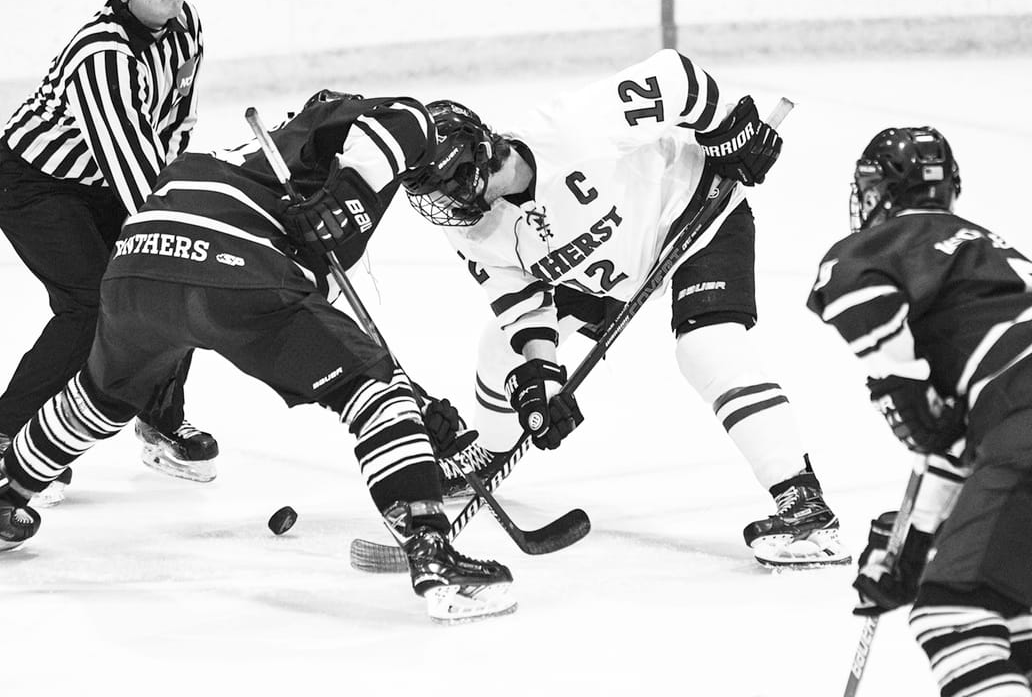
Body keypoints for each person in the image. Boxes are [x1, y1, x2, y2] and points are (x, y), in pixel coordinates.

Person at [0, 90, 516, 623]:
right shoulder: (362, 133)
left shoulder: (277, 158)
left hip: (138, 258)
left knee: (100, 395)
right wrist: (348, 201)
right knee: (377, 392)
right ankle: (435, 559)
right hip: (230, 259)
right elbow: (409, 117)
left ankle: (9, 490)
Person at [403, 48, 848, 569]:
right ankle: (489, 452)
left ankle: (804, 504)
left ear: (477, 161)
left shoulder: (573, 128)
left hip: (693, 216)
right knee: (500, 348)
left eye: (445, 189)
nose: (444, 207)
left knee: (707, 349)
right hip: (602, 274)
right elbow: (523, 305)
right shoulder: (474, 228)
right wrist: (541, 380)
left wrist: (727, 133)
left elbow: (676, 77)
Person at [807, 126, 1032, 695]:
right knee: (1016, 621)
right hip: (1015, 419)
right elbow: (957, 442)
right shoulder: (992, 253)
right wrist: (912, 549)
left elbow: (932, 419)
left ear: (881, 190)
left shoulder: (873, 249)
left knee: (951, 613)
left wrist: (899, 378)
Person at [0, 0, 216, 492]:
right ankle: (8, 436)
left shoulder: (186, 25)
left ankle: (160, 418)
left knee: (168, 278)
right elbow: (138, 178)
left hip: (103, 179)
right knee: (92, 303)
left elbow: (169, 128)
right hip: (36, 183)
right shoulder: (103, 57)